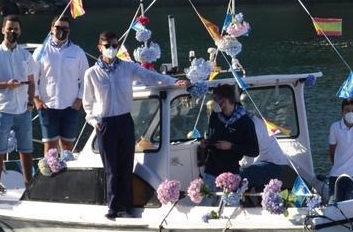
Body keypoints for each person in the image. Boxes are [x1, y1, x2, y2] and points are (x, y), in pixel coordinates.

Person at [83, 31, 179, 219]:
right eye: (107, 45)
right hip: (105, 123)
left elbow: (150, 77)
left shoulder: (128, 67)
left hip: (125, 120)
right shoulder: (91, 73)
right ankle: (112, 206)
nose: (111, 49)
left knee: (126, 166)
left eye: (115, 45)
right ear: (99, 47)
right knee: (111, 168)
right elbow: (87, 102)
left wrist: (174, 81)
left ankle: (125, 207)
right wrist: (94, 121)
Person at [0, 15, 38, 202]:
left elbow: (31, 82)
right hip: (1, 110)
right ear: (3, 30)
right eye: (9, 28)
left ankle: (29, 188)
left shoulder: (25, 55)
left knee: (26, 150)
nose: (12, 32)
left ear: (20, 31)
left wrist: (30, 103)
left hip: (22, 110)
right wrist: (6, 84)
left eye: (16, 29)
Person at [32, 16, 88, 155]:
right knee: (50, 149)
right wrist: (36, 100)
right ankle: (50, 175)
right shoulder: (41, 51)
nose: (61, 31)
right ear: (51, 29)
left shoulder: (77, 52)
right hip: (47, 106)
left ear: (69, 31)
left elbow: (86, 78)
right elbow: (31, 78)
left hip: (70, 106)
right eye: (58, 28)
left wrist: (79, 100)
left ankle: (66, 175)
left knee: (68, 148)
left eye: (65, 28)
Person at [200, 84, 258, 185]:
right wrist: (205, 144)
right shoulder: (214, 117)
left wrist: (231, 146)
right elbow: (212, 138)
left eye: (215, 99)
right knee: (207, 200)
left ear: (225, 100)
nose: (213, 103)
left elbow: (254, 151)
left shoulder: (246, 122)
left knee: (229, 201)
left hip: (231, 172)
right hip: (211, 170)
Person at [240, 114, 290, 189]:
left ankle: (233, 199)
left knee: (236, 174)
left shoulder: (251, 125)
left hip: (273, 166)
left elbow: (248, 160)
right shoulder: (252, 120)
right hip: (265, 163)